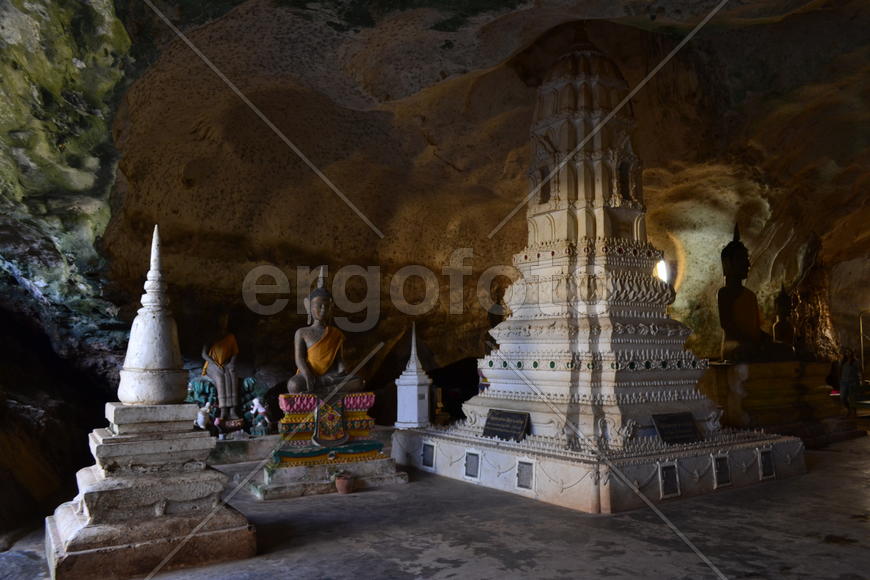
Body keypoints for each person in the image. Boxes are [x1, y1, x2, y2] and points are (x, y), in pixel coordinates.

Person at [287, 269, 363, 398]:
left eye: (326, 306)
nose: (323, 309)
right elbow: (299, 359)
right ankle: (326, 390)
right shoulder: (302, 332)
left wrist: (341, 368)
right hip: (309, 375)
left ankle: (322, 391)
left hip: (329, 377)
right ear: (309, 307)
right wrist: (307, 374)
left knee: (358, 382)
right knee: (294, 385)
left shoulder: (336, 333)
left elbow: (338, 359)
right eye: (319, 305)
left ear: (331, 309)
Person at [201, 313, 240, 420]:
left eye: (225, 320)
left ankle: (233, 409)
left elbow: (235, 352)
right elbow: (204, 354)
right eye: (221, 320)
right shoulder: (211, 335)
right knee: (220, 377)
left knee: (232, 375)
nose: (223, 323)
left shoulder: (230, 336)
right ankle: (223, 410)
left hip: (226, 363)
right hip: (212, 364)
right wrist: (215, 364)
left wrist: (232, 363)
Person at [839, 348, 861, 418]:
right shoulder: (843, 361)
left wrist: (860, 380)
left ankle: (853, 412)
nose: (847, 353)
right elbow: (840, 370)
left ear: (852, 353)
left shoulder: (855, 361)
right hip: (844, 382)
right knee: (842, 397)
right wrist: (839, 379)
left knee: (852, 398)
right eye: (846, 352)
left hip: (852, 382)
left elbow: (860, 371)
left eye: (849, 352)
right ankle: (849, 409)